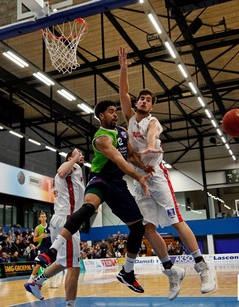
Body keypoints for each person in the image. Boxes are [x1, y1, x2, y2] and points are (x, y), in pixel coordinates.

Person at [118, 46, 215, 298]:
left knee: (176, 220)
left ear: (152, 106)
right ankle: (171, 271)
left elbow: (152, 135)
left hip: (157, 176)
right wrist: (124, 68)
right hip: (138, 179)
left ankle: (202, 267)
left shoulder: (152, 121)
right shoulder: (129, 117)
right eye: (142, 98)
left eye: (149, 100)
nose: (144, 100)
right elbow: (122, 94)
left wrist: (151, 146)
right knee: (147, 228)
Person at [30, 100, 152, 300]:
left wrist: (144, 167)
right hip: (101, 179)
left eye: (116, 111)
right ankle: (50, 253)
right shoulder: (101, 138)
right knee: (87, 209)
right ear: (101, 116)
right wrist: (138, 176)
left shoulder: (121, 132)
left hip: (117, 185)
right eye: (110, 112)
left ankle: (127, 272)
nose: (115, 114)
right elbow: (119, 160)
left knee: (138, 227)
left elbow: (129, 155)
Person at [25, 148, 85, 306]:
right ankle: (70, 304)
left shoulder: (77, 171)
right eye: (78, 153)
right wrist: (73, 159)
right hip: (67, 220)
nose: (82, 156)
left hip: (64, 219)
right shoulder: (68, 168)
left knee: (64, 262)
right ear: (70, 158)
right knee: (74, 267)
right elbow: (60, 171)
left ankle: (36, 283)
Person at [27, 211, 52, 283]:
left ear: (46, 218)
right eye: (42, 217)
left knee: (51, 265)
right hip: (42, 247)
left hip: (50, 247)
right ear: (39, 218)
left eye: (44, 217)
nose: (43, 218)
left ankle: (51, 282)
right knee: (39, 264)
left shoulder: (50, 226)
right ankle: (31, 279)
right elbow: (34, 239)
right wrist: (40, 236)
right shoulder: (38, 228)